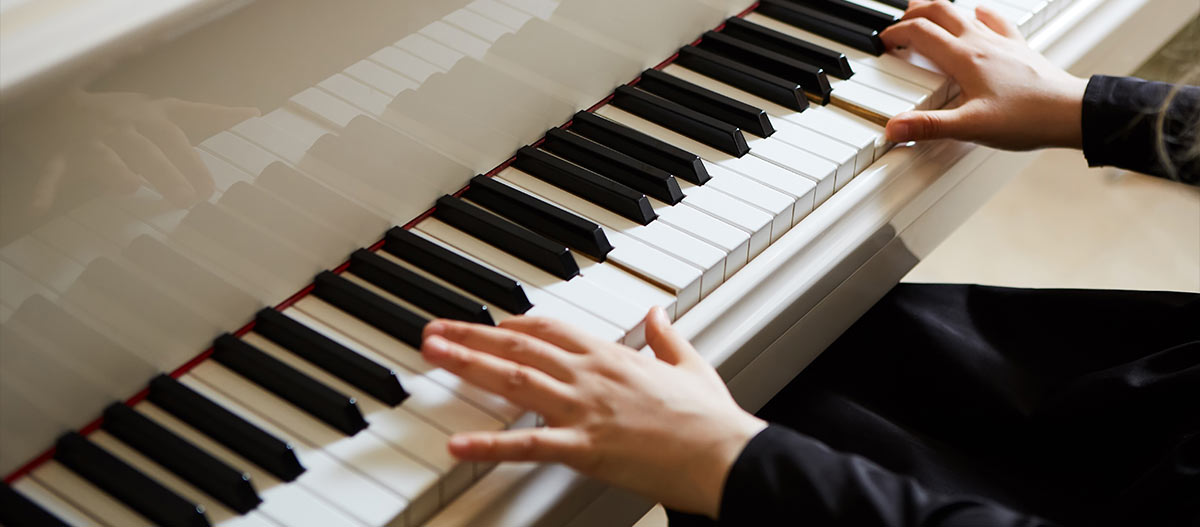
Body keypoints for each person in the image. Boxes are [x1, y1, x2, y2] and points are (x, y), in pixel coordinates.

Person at [419, 1, 1200, 525]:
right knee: (807, 343)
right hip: (1151, 393)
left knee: (748, 371)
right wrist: (1087, 107)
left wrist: (727, 459)